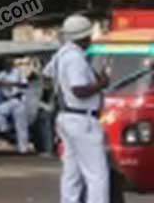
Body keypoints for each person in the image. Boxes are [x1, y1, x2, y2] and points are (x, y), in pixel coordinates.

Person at [44, 14, 110, 203]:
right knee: (97, 174)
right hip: (83, 119)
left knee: (72, 172)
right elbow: (79, 90)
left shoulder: (61, 54)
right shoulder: (75, 58)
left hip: (66, 116)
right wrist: (101, 84)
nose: (90, 40)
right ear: (83, 37)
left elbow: (47, 75)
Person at [0, 57, 32, 154]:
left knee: (21, 125)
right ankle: (5, 131)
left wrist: (12, 84)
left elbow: (25, 85)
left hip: (18, 100)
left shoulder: (17, 72)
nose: (8, 66)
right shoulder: (2, 74)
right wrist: (2, 83)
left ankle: (23, 149)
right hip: (9, 100)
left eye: (9, 64)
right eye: (6, 64)